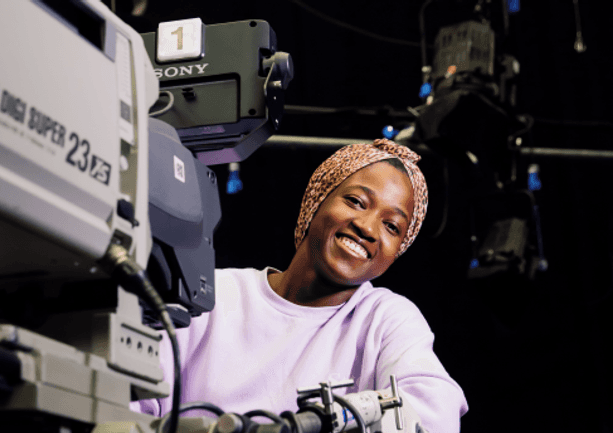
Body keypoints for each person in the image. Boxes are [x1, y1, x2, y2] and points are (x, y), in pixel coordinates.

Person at [135, 139, 468, 433]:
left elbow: (434, 414)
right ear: (317, 198)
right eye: (355, 201)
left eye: (392, 226)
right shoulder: (212, 294)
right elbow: (131, 403)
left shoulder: (386, 318)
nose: (368, 227)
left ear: (399, 251)